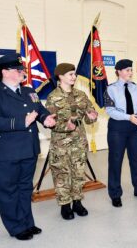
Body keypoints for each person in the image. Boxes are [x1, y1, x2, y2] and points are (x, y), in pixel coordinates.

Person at [0, 53, 56, 240]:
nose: (23, 72)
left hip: (28, 149)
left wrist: (45, 118)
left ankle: (26, 223)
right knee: (8, 191)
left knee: (25, 188)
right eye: (18, 69)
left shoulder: (28, 91)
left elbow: (39, 109)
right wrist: (22, 121)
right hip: (4, 152)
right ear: (5, 72)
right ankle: (15, 227)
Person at [45, 63, 98, 220]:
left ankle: (77, 202)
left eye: (74, 74)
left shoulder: (81, 95)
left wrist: (91, 116)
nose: (74, 77)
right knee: (62, 174)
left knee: (79, 172)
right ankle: (65, 205)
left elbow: (89, 116)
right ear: (60, 76)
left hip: (79, 141)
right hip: (60, 143)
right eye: (70, 74)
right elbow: (49, 122)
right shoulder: (53, 97)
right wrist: (64, 125)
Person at [104, 59, 137, 207]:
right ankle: (115, 194)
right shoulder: (111, 89)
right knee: (116, 161)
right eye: (127, 70)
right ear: (119, 72)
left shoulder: (135, 87)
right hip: (118, 128)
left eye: (131, 70)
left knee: (136, 160)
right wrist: (129, 117)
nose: (130, 72)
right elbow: (110, 111)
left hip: (134, 128)